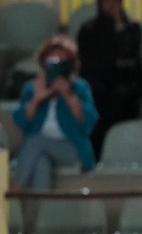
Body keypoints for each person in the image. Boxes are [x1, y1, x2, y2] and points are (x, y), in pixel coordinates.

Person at [10, 36, 99, 189]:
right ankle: (43, 210)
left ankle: (13, 191)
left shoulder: (79, 87)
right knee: (41, 163)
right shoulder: (32, 87)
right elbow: (22, 122)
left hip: (71, 149)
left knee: (36, 141)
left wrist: (68, 95)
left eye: (62, 63)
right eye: (52, 62)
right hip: (38, 149)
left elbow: (88, 122)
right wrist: (37, 99)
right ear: (44, 63)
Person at [76, 0, 142, 160]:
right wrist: (115, 62)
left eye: (116, 0)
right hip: (97, 84)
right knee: (97, 98)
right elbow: (89, 61)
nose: (112, 4)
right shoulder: (88, 29)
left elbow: (129, 54)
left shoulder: (132, 29)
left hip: (125, 85)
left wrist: (119, 27)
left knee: (122, 98)